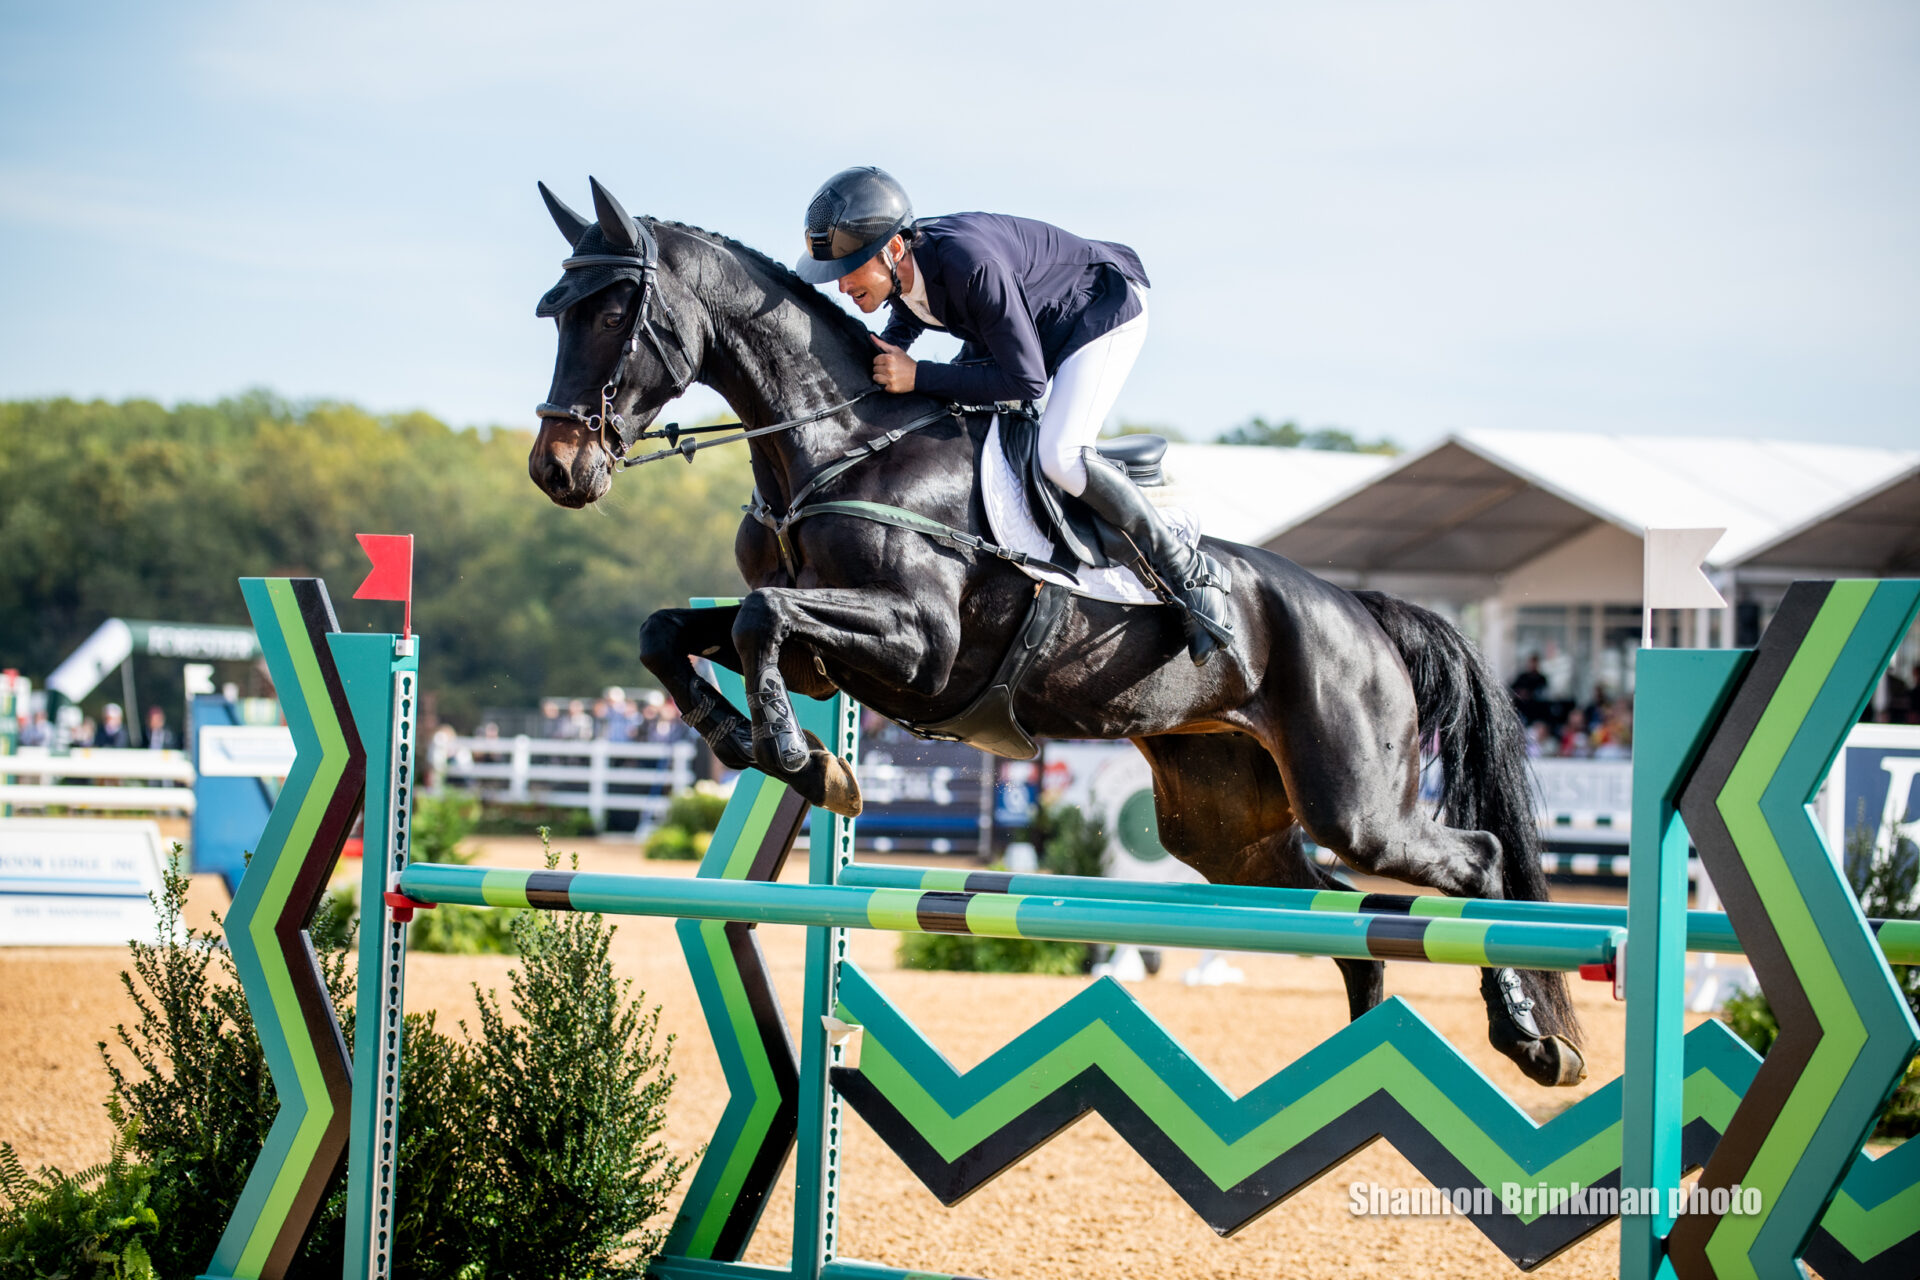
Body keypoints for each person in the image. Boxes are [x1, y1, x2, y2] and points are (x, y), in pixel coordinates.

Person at [794, 166, 1231, 664]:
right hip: (1030, 328)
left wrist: (920, 376)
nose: (841, 284)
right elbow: (910, 317)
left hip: (1097, 317)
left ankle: (1188, 573)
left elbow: (1026, 382)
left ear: (894, 250)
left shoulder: (971, 265)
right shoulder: (910, 268)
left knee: (1062, 456)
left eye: (850, 269)